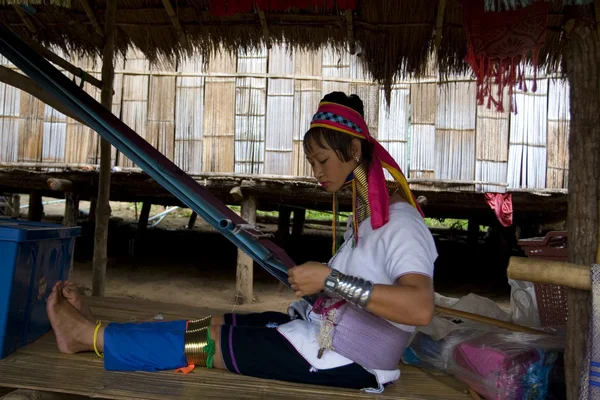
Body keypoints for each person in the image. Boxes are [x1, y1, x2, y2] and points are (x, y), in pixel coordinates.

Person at [46, 91, 437, 392]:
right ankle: (98, 333)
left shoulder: (402, 224)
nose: (316, 172)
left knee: (205, 342)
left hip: (347, 361)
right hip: (318, 336)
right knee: (213, 321)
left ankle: (85, 337)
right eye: (312, 162)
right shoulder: (366, 220)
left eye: (322, 160)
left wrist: (329, 280)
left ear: (353, 150)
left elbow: (420, 308)